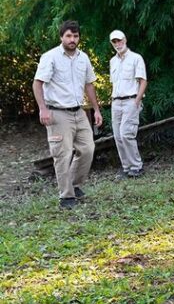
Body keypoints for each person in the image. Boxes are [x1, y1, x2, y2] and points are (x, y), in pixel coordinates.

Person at [32, 20, 103, 209]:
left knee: (88, 149)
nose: (72, 39)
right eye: (69, 36)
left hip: (78, 111)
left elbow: (89, 84)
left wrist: (96, 109)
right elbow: (37, 83)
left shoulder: (84, 58)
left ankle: (74, 184)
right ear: (61, 37)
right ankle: (66, 196)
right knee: (62, 154)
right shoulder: (51, 57)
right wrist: (43, 109)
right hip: (57, 113)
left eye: (76, 36)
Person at [108, 29, 147, 179]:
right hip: (116, 101)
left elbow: (143, 80)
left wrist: (137, 101)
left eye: (119, 40)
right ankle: (126, 168)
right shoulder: (113, 61)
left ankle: (136, 166)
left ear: (125, 40)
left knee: (126, 134)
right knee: (118, 136)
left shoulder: (136, 58)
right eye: (114, 42)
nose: (118, 44)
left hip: (131, 100)